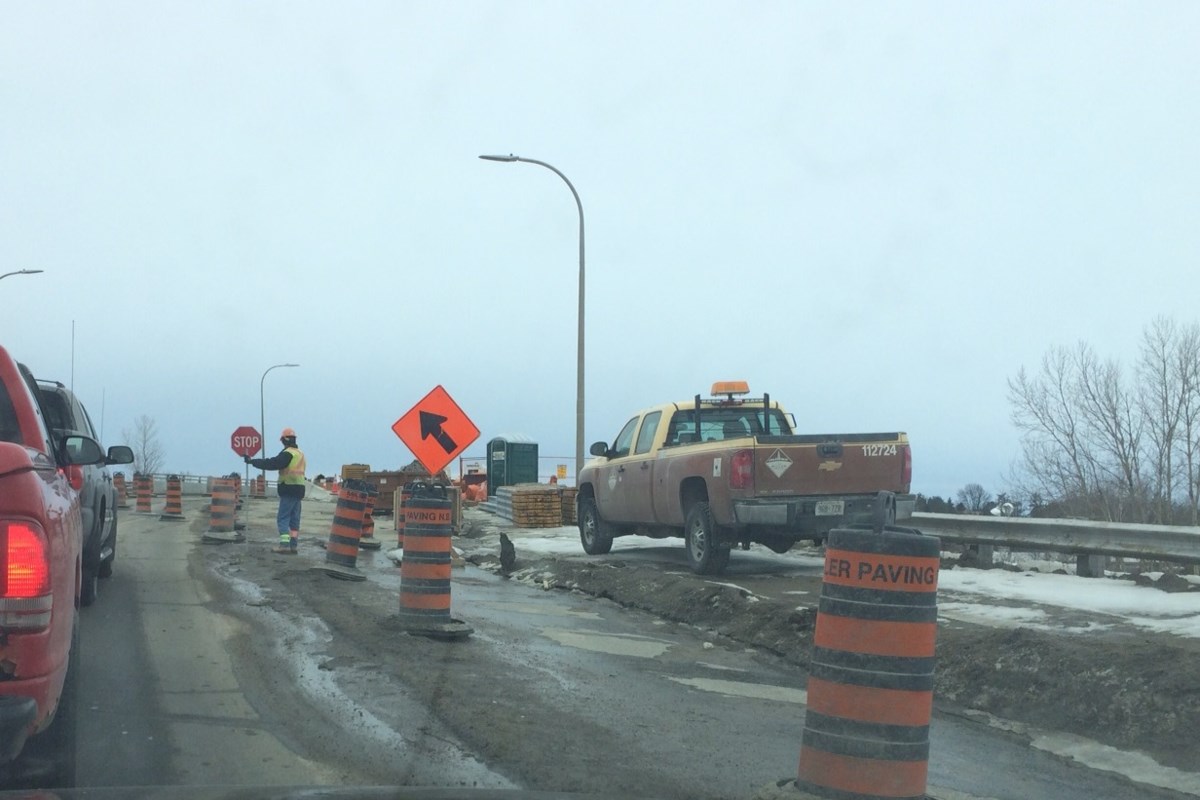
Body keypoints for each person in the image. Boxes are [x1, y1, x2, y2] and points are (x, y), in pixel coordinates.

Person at [245, 427, 306, 554]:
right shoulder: (300, 453)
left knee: (283, 518)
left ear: (284, 440)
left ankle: (284, 545)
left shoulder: (288, 453)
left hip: (288, 488)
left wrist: (253, 462)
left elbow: (273, 463)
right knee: (294, 519)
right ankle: (293, 546)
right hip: (299, 490)